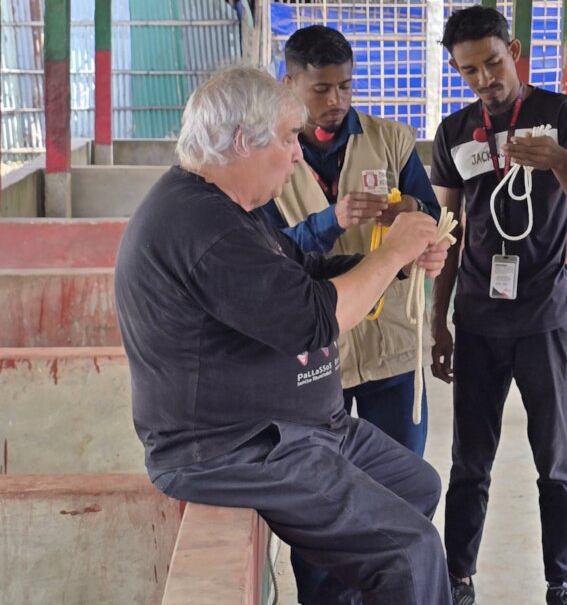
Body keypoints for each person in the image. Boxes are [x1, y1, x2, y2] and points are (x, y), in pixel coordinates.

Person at [114, 66, 453, 605]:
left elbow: (307, 272)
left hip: (300, 428)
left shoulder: (231, 209)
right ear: (242, 141)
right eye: (288, 138)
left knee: (416, 486)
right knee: (411, 551)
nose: (297, 154)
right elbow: (312, 322)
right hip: (236, 446)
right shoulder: (200, 225)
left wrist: (401, 264)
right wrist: (391, 254)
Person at [259, 25, 442, 602]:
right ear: (289, 84)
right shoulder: (269, 156)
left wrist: (413, 221)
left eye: (345, 86)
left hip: (392, 347)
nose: (336, 99)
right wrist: (331, 220)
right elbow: (269, 253)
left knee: (400, 494)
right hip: (314, 362)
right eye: (320, 89)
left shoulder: (392, 140)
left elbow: (430, 219)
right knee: (319, 507)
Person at [429, 6, 567, 605]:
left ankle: (563, 581)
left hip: (544, 318)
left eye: (494, 63)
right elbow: (448, 230)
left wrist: (558, 160)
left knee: (554, 459)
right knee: (469, 462)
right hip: (478, 319)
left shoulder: (561, 114)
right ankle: (458, 578)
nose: (485, 79)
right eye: (469, 70)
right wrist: (439, 322)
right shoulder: (454, 131)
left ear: (515, 51)